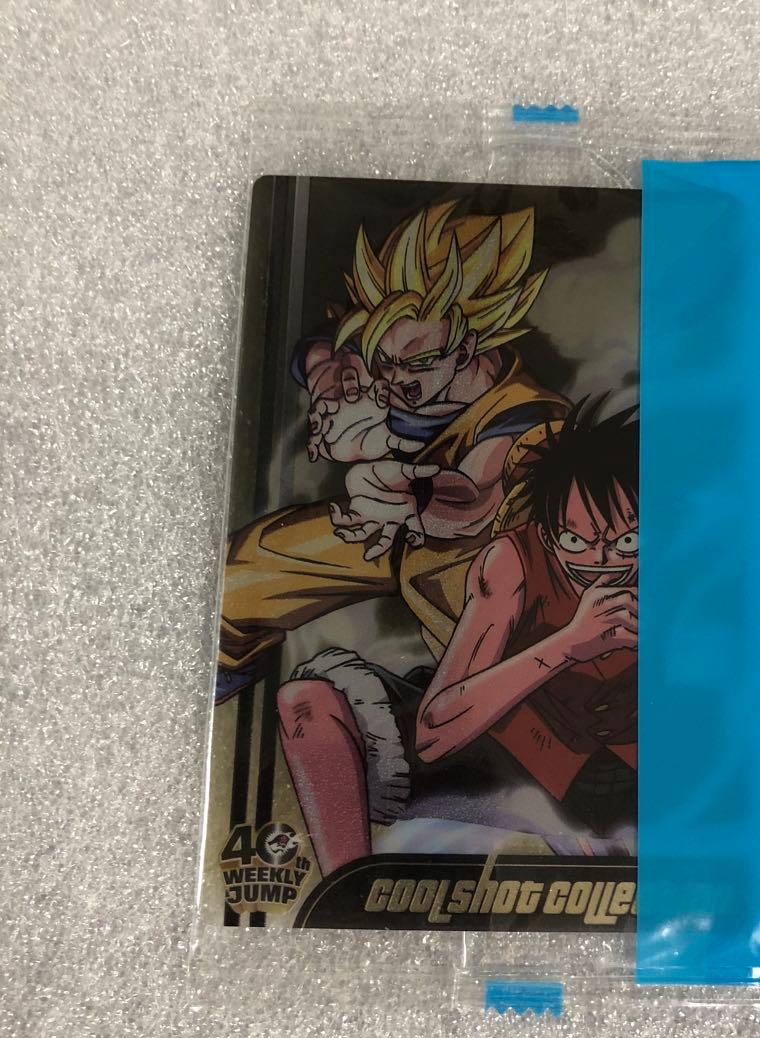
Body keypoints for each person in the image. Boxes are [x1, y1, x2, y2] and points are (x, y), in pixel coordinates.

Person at [217, 201, 567, 702]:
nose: (399, 379)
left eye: (418, 363)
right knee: (241, 578)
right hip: (390, 535)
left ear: (466, 349)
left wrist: (406, 495)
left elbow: (474, 495)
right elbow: (328, 346)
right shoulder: (392, 346)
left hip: (477, 567)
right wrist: (328, 374)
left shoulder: (528, 415)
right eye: (385, 360)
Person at [277, 399, 638, 874]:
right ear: (549, 534)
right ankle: (347, 890)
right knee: (306, 702)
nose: (601, 559)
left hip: (607, 775)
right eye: (576, 540)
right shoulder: (512, 563)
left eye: (626, 541)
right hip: (502, 740)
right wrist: (568, 644)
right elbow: (435, 731)